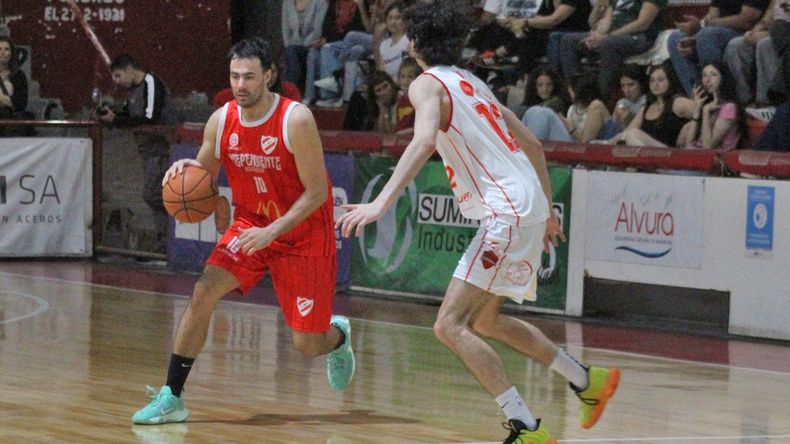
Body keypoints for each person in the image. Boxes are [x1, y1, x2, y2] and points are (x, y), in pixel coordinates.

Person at [336, 2, 620, 443]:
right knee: (485, 321)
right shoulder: (473, 82)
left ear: (413, 45)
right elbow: (535, 147)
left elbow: (425, 138)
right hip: (523, 204)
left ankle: (527, 427)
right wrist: (544, 211)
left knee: (448, 325)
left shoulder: (428, 84)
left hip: (506, 209)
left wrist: (381, 204)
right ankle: (586, 380)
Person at [131, 37, 355, 425]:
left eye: (249, 77)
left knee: (307, 343)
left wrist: (274, 233)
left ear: (269, 76)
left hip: (302, 233)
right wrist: (182, 174)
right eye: (235, 76)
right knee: (203, 291)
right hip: (251, 225)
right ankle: (173, 397)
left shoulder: (295, 119)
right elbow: (203, 174)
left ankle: (337, 338)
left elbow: (318, 192)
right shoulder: (222, 119)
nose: (240, 85)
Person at [93, 54, 177, 253]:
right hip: (148, 150)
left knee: (153, 194)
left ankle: (167, 240)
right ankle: (164, 241)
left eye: (118, 75)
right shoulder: (134, 91)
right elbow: (131, 115)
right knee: (155, 195)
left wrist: (116, 120)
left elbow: (149, 117)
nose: (116, 82)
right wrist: (113, 115)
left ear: (129, 69)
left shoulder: (151, 82)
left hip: (161, 148)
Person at [560, 0, 666, 100]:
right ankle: (577, 95)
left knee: (609, 43)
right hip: (613, 36)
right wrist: (596, 34)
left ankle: (600, 100)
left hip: (640, 37)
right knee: (568, 40)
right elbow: (598, 23)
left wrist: (606, 37)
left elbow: (643, 23)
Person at [668, 0, 769, 97]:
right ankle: (698, 98)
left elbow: (747, 19)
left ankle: (718, 100)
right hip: (715, 31)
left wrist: (704, 26)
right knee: (675, 38)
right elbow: (711, 15)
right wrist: (694, 37)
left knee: (706, 35)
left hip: (746, 33)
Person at [606, 63, 694, 147]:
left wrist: (691, 124)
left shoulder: (678, 102)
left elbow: (704, 113)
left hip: (672, 153)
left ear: (670, 81)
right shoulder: (646, 107)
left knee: (633, 134)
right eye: (652, 80)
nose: (655, 84)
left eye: (661, 80)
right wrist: (606, 144)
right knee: (629, 134)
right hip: (650, 153)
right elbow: (627, 132)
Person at [677, 62, 745, 152]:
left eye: (713, 75)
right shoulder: (707, 104)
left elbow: (708, 147)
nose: (707, 80)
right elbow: (688, 145)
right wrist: (698, 108)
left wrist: (706, 111)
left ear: (723, 78)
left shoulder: (729, 107)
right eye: (704, 75)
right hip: (695, 157)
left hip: (713, 161)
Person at [282, 0, 328, 95]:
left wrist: (303, 45)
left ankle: (288, 93)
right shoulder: (287, 3)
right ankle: (291, 91)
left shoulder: (320, 3)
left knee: (293, 58)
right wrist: (288, 46)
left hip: (311, 45)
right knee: (290, 52)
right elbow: (285, 30)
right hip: (293, 47)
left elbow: (317, 30)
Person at [0, 37, 28, 121]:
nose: (3, 52)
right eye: (0, 49)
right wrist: (7, 100)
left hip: (10, 121)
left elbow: (21, 103)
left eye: (7, 49)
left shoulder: (19, 76)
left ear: (11, 53)